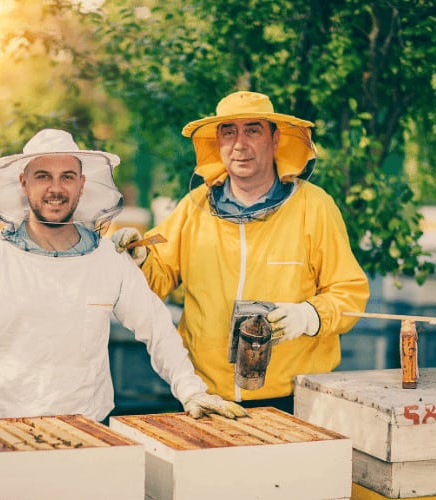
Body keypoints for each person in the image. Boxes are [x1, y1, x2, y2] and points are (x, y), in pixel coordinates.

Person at [0, 128, 246, 446]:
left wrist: (191, 391)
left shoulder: (108, 260)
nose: (55, 188)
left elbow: (157, 330)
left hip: (85, 433)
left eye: (67, 177)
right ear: (23, 182)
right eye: (43, 176)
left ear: (81, 185)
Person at [112, 91, 370, 414]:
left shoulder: (313, 207)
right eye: (229, 132)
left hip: (295, 399)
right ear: (217, 143)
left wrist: (309, 315)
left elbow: (349, 292)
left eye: (252, 130)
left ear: (275, 139)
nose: (240, 144)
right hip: (207, 398)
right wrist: (140, 259)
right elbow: (157, 281)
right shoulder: (194, 208)